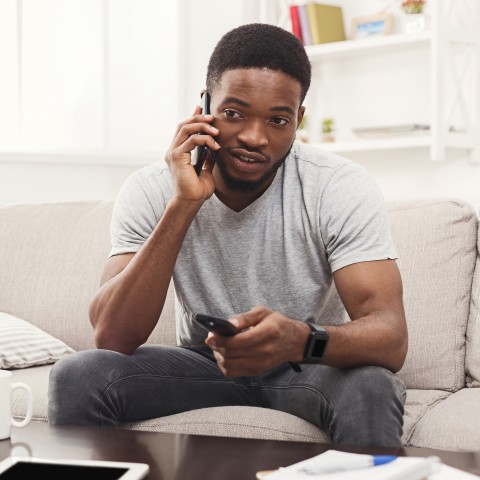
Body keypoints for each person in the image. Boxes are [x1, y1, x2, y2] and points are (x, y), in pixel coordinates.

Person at [48, 23, 408, 447]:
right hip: (204, 364)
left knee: (371, 385)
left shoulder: (337, 185)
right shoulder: (149, 189)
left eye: (278, 120)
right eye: (234, 113)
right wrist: (183, 204)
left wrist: (299, 339)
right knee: (79, 375)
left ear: (298, 120)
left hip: (303, 364)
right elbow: (112, 336)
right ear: (204, 105)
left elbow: (390, 337)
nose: (255, 137)